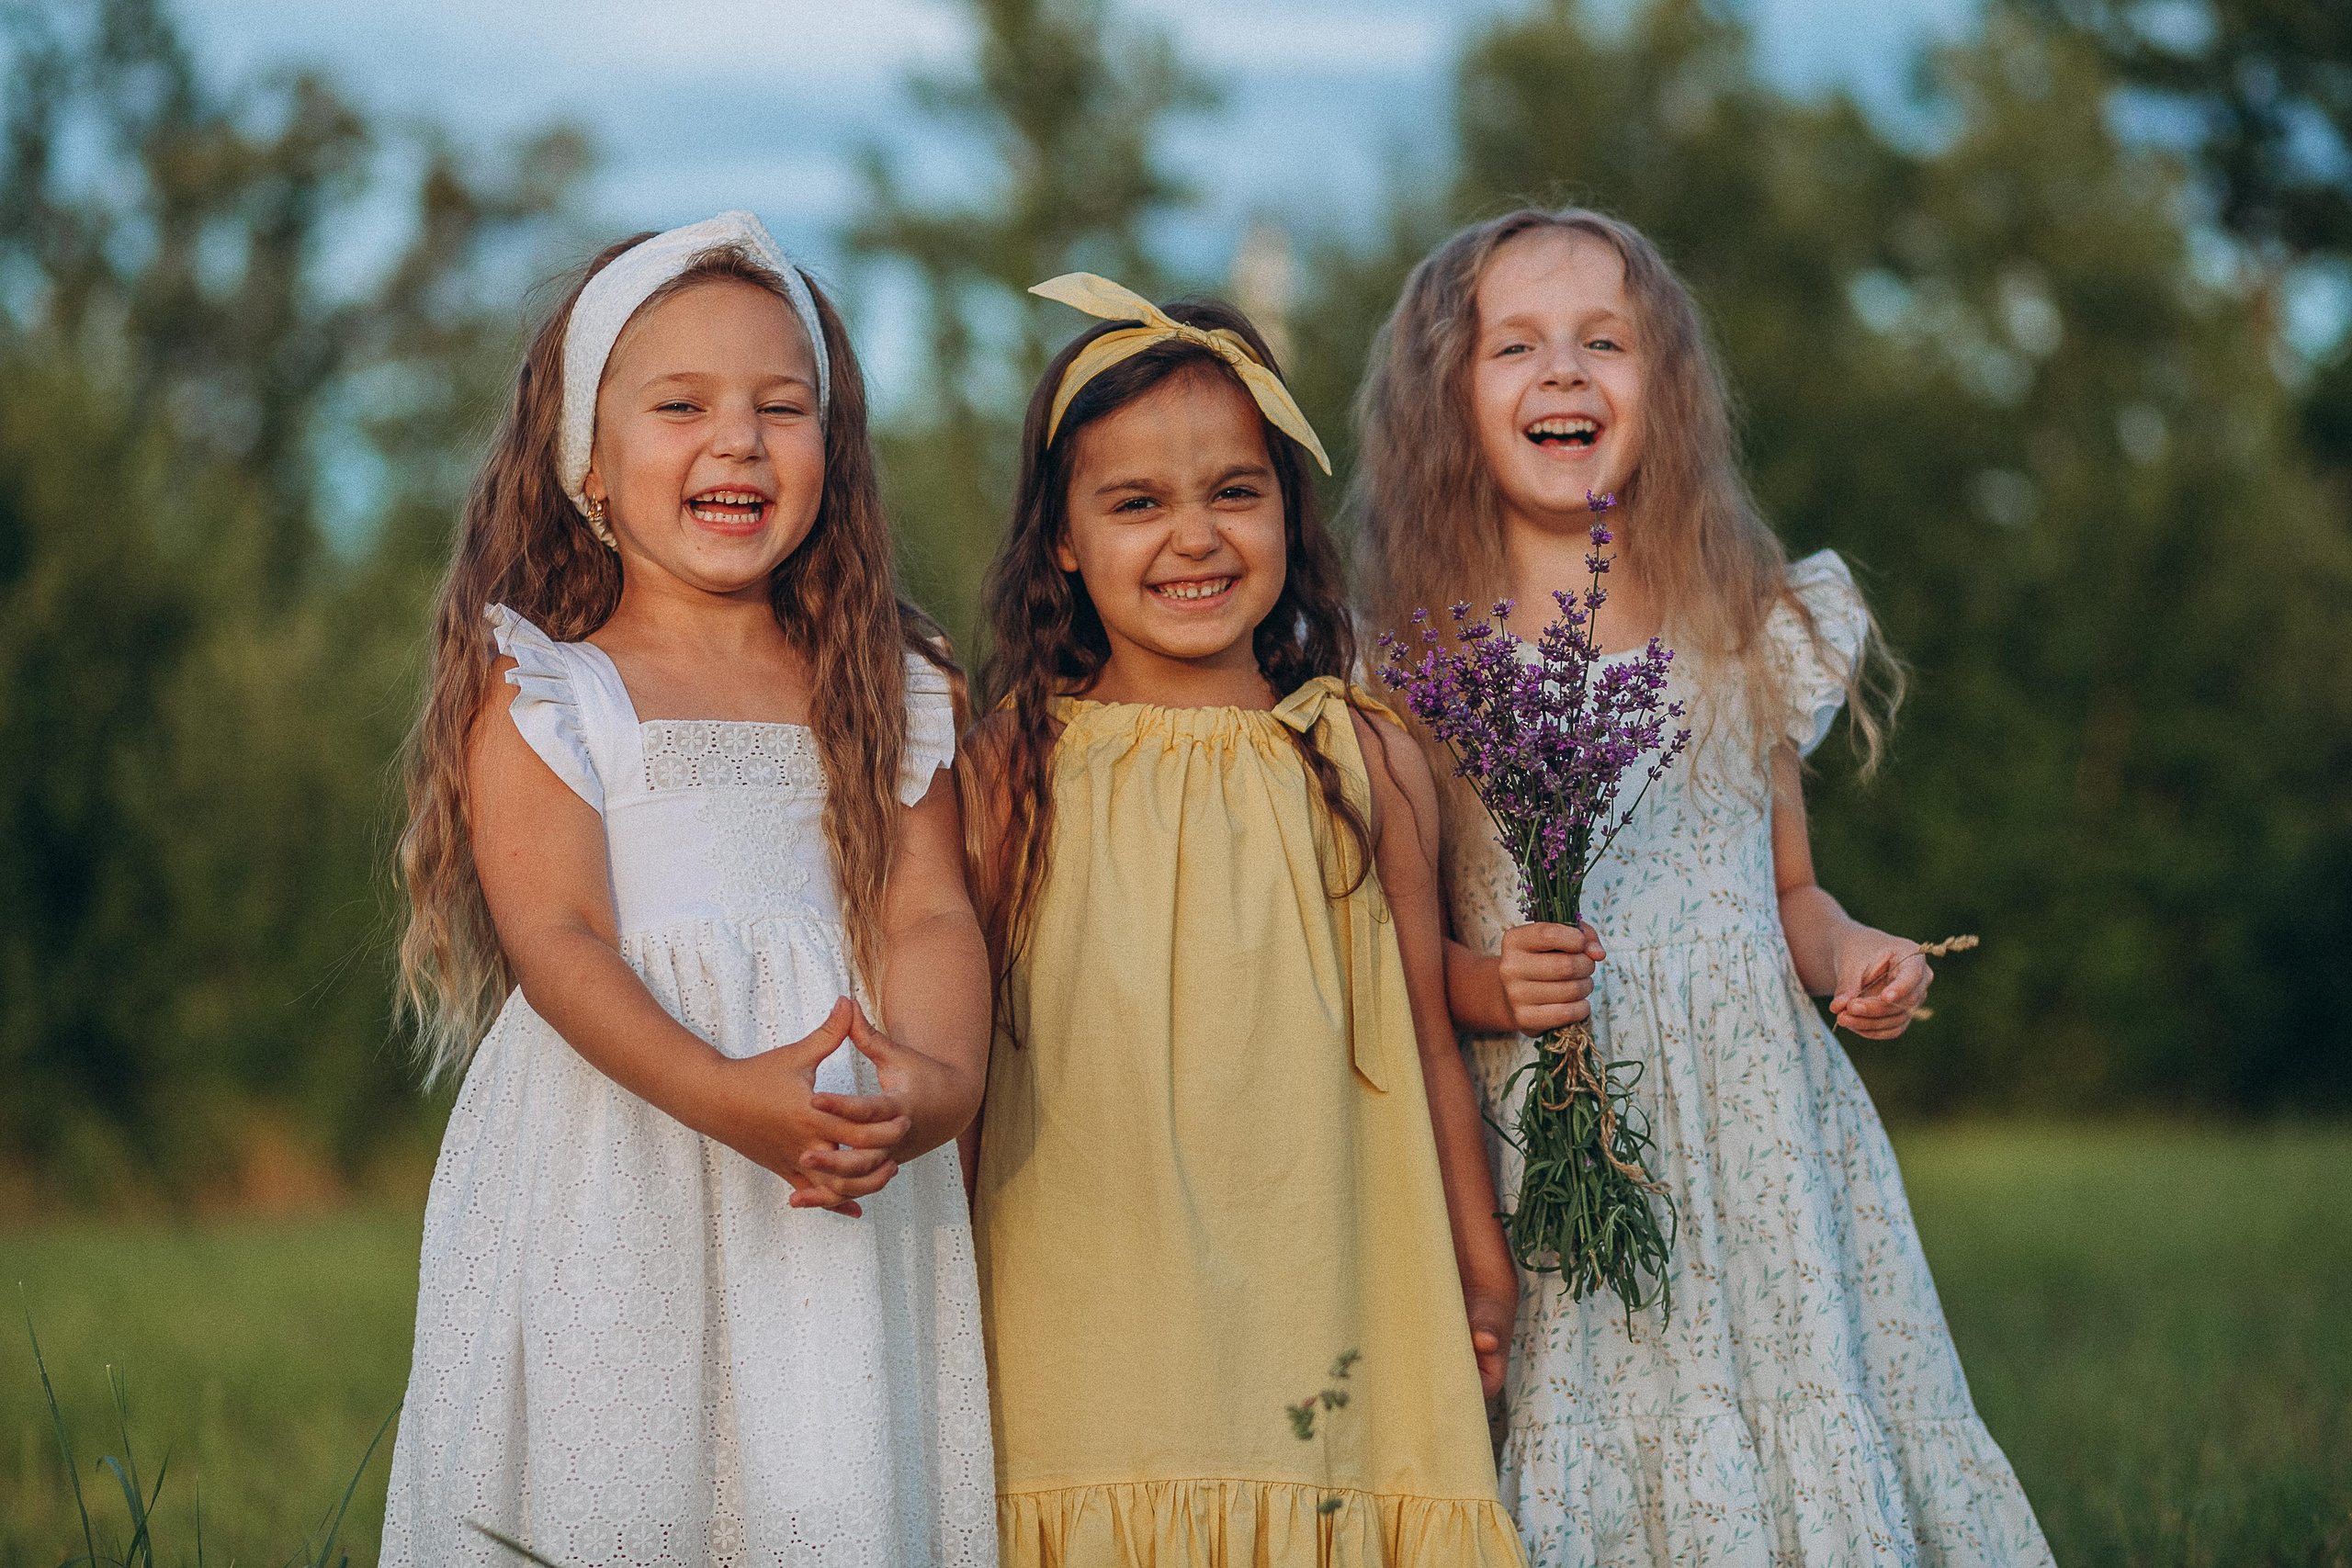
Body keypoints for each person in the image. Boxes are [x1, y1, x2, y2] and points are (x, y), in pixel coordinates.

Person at [1351, 209, 2053, 1567]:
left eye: (1603, 343)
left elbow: (1789, 891)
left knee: (1797, 1423)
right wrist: (1495, 983)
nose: (1565, 373)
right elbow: (1393, 962)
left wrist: (1855, 957)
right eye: (1517, 347)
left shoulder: (1733, 621)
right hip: (1558, 1129)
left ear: (1662, 389)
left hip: (1757, 1142)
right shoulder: (1414, 667)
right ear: (1448, 401)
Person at [382, 212, 996, 1567]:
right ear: (587, 467)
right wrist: (725, 1096)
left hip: (836, 1156)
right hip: (625, 1154)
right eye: (681, 406)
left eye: (784, 407)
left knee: (825, 1470)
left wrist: (938, 1084)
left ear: (829, 458)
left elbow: (930, 913)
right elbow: (559, 935)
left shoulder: (890, 687)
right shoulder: (553, 685)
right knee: (630, 1479)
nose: (739, 440)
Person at [958, 273, 1528, 1568]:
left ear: (1289, 508)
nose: (1196, 537)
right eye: (1137, 503)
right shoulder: (1012, 768)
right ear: (1062, 539)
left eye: (1235, 491)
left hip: (1325, 1285)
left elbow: (1430, 1034)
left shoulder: (1361, 754)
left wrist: (1479, 1263)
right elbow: (965, 1066)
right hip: (1083, 1304)